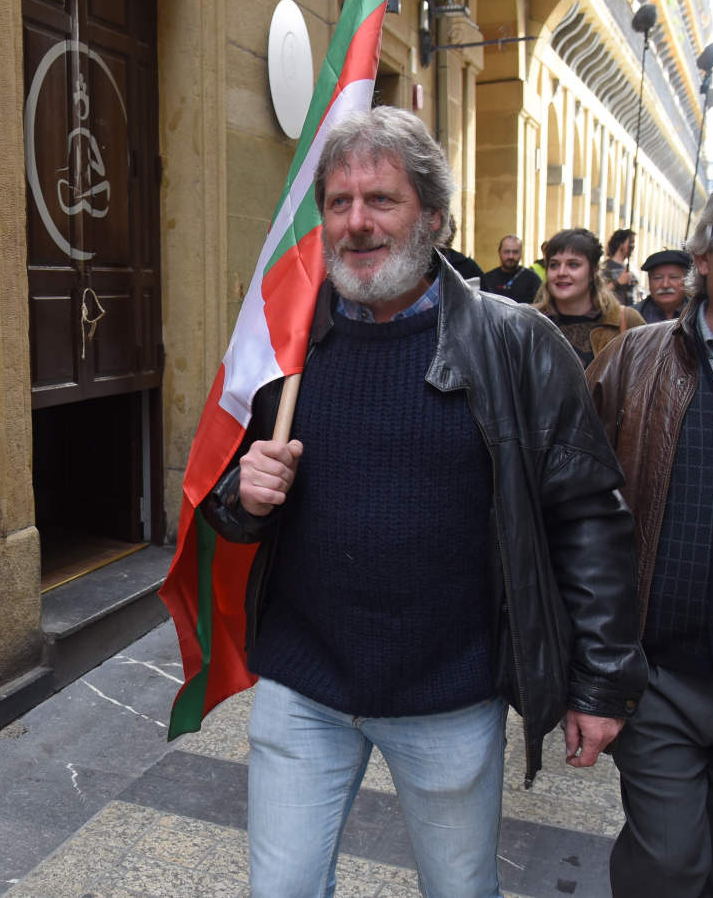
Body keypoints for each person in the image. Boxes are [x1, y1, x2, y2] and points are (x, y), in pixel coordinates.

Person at [201, 107, 645, 898]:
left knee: (459, 889)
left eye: (381, 200)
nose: (355, 223)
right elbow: (223, 497)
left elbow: (586, 520)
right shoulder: (285, 343)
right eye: (338, 203)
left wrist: (599, 683)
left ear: (433, 218)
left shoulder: (517, 345)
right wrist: (245, 496)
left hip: (448, 692)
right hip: (303, 685)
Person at [587, 167, 713, 898]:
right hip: (657, 679)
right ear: (703, 256)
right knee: (665, 866)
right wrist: (588, 667)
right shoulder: (632, 358)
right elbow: (573, 510)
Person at [533, 228, 645, 366]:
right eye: (554, 265)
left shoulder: (626, 320)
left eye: (573, 265)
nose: (561, 272)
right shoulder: (527, 321)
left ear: (593, 271)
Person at [479, 234, 542, 303]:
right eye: (506, 252)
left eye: (515, 252)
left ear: (521, 254)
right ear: (499, 252)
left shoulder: (533, 279)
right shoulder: (487, 279)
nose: (511, 256)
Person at [635, 248, 693, 323]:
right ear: (649, 281)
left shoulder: (699, 314)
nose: (665, 285)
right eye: (658, 278)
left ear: (686, 280)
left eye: (673, 277)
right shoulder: (633, 316)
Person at [603, 228, 638, 304]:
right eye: (630, 242)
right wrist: (618, 282)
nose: (633, 246)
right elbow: (599, 295)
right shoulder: (605, 267)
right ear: (620, 244)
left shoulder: (631, 268)